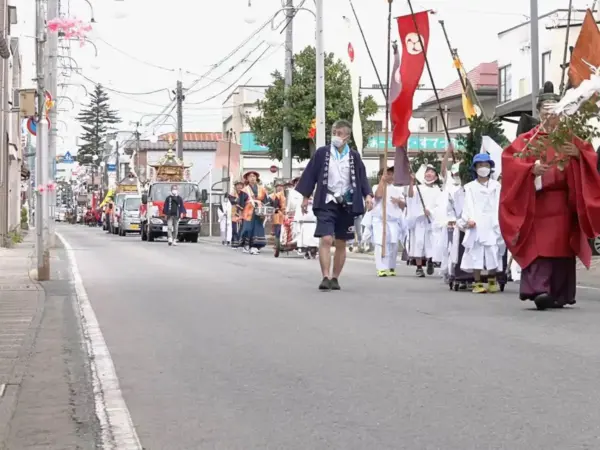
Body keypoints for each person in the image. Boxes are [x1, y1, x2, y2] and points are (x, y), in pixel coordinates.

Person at [500, 81, 600, 309]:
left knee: (562, 248)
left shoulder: (570, 138)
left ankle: (559, 292)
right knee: (539, 248)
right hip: (538, 203)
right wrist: (530, 170)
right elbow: (510, 163)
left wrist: (577, 154)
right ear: (538, 113)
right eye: (545, 111)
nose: (549, 115)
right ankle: (539, 290)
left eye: (554, 111)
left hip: (563, 204)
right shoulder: (527, 140)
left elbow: (590, 157)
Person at [295, 119, 373, 290]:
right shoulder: (322, 153)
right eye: (334, 133)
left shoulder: (353, 156)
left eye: (339, 133)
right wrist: (305, 196)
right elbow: (310, 174)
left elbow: (362, 177)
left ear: (347, 136)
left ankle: (335, 277)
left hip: (347, 202)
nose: (336, 136)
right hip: (326, 200)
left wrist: (368, 194)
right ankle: (325, 276)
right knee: (326, 238)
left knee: (341, 241)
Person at [457, 153, 502, 293]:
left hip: (493, 222)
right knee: (476, 254)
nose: (483, 168)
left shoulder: (496, 186)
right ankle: (477, 283)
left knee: (493, 252)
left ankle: (492, 279)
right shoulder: (470, 187)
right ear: (475, 168)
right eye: (480, 165)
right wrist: (467, 220)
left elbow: (500, 204)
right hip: (476, 223)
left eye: (486, 165)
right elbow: (467, 204)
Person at [406, 165, 444, 277]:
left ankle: (430, 261)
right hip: (419, 220)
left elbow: (440, 206)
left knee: (431, 242)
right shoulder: (418, 188)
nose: (429, 174)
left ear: (436, 177)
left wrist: (431, 211)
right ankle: (418, 267)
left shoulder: (438, 191)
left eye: (432, 172)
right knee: (418, 242)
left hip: (431, 221)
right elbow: (410, 196)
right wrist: (412, 182)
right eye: (427, 172)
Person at [372, 166, 406, 277]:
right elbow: (378, 196)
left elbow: (403, 205)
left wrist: (398, 201)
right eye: (388, 174)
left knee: (393, 244)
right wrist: (382, 181)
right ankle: (381, 267)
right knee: (380, 243)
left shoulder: (397, 189)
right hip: (380, 220)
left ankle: (391, 266)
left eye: (392, 174)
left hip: (392, 221)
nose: (391, 176)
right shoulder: (376, 186)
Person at [239, 170, 269, 254]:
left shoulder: (262, 189)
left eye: (254, 176)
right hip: (248, 212)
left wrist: (265, 212)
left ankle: (255, 246)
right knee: (247, 228)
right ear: (247, 179)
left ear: (256, 178)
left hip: (259, 211)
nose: (252, 178)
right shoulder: (244, 190)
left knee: (258, 229)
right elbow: (241, 203)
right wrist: (240, 215)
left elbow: (266, 201)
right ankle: (246, 245)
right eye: (250, 176)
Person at [270, 181, 287, 248]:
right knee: (278, 228)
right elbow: (274, 205)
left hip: (287, 213)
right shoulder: (274, 195)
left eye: (281, 186)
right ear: (275, 187)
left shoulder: (286, 194)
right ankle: (277, 244)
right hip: (278, 213)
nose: (279, 187)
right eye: (278, 186)